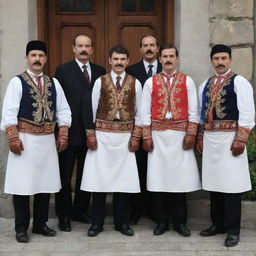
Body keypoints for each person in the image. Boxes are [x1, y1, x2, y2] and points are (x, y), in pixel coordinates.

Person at [0, 40, 71, 243]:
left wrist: (63, 133)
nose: (37, 59)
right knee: (22, 186)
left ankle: (40, 224)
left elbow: (64, 109)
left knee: (44, 184)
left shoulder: (54, 83)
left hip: (47, 141)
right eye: (33, 55)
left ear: (46, 59)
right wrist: (13, 137)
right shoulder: (17, 82)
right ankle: (21, 228)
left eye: (40, 56)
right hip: (25, 140)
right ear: (27, 58)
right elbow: (9, 111)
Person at [140, 44, 201, 237]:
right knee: (159, 180)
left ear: (177, 59)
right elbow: (144, 112)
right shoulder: (151, 82)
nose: (167, 59)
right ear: (159, 59)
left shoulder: (187, 81)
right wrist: (146, 136)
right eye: (164, 56)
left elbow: (194, 110)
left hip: (180, 136)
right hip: (157, 136)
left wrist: (191, 134)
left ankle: (180, 222)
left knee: (179, 180)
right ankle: (162, 221)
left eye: (171, 56)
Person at [80, 45, 142, 237]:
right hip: (103, 137)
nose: (119, 63)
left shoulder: (135, 83)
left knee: (122, 182)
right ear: (110, 60)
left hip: (125, 139)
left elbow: (140, 111)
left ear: (128, 61)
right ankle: (97, 223)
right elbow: (90, 108)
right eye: (116, 59)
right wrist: (90, 134)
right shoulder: (100, 81)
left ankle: (121, 222)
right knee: (100, 180)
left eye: (123, 59)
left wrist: (136, 136)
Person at [197, 44, 255, 247]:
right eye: (216, 59)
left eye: (223, 58)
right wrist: (200, 137)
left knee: (231, 187)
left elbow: (247, 113)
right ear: (211, 61)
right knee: (214, 185)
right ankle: (217, 224)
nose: (220, 62)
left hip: (231, 140)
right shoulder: (205, 84)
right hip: (212, 141)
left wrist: (241, 139)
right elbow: (199, 115)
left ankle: (233, 230)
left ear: (230, 60)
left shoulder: (239, 82)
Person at [54, 34, 106, 232]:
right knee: (65, 176)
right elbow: (57, 100)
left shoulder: (101, 71)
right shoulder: (63, 71)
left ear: (92, 49)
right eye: (80, 46)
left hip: (92, 132)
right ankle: (64, 215)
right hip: (69, 131)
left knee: (87, 174)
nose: (84, 49)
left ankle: (80, 210)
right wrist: (60, 130)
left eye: (87, 46)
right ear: (73, 48)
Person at [125, 35, 162, 225]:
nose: (149, 48)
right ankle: (135, 211)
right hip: (137, 129)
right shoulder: (131, 71)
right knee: (138, 169)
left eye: (152, 45)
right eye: (145, 45)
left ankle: (156, 211)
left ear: (157, 48)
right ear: (140, 49)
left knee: (156, 170)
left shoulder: (166, 67)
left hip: (162, 133)